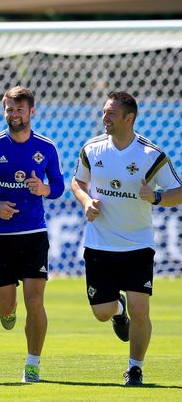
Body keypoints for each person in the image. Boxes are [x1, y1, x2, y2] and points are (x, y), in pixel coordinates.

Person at [71, 91, 182, 386]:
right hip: (99, 243)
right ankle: (117, 311)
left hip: (137, 243)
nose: (104, 118)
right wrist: (85, 202)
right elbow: (78, 181)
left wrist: (156, 196)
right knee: (101, 312)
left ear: (128, 118)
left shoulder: (151, 154)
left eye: (110, 113)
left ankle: (135, 368)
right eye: (104, 112)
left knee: (141, 309)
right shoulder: (92, 149)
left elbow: (179, 191)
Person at [0, 86, 64, 383]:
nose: (14, 114)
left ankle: (33, 364)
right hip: (0, 235)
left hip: (34, 233)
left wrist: (44, 189)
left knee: (35, 301)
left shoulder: (46, 147)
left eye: (20, 109)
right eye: (9, 109)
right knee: (4, 306)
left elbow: (59, 186)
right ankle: (6, 312)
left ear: (32, 111)